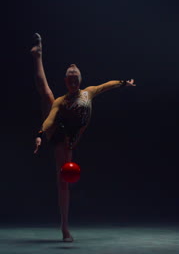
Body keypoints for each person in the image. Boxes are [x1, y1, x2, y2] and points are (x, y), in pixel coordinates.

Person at [31, 33, 135, 242]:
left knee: (65, 179)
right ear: (66, 81)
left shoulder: (89, 93)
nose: (72, 78)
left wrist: (124, 83)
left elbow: (108, 84)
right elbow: (51, 119)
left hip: (71, 135)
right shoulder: (61, 101)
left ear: (80, 80)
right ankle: (65, 228)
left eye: (75, 76)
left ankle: (37, 55)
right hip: (59, 133)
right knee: (46, 95)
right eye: (69, 77)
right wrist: (40, 135)